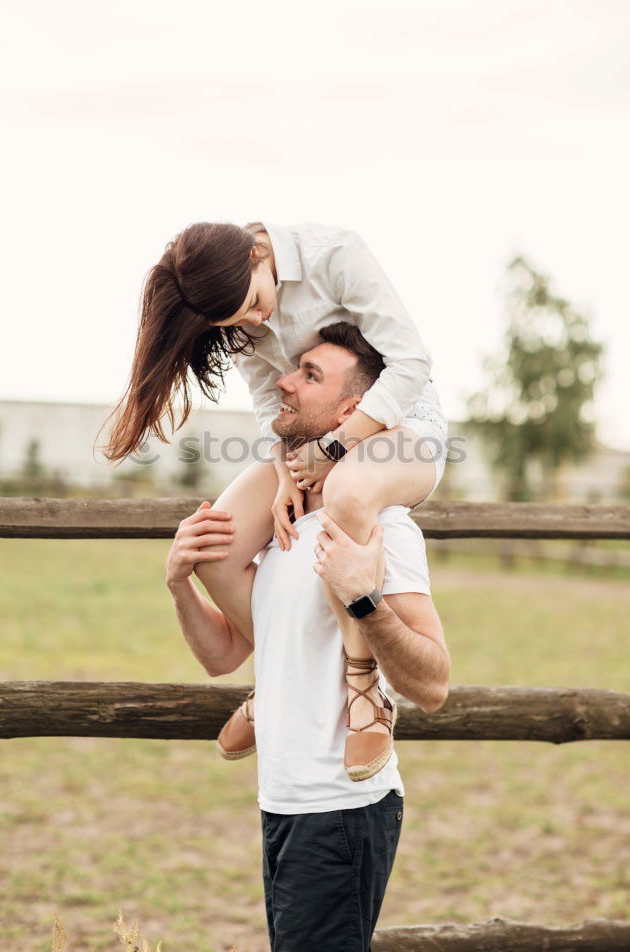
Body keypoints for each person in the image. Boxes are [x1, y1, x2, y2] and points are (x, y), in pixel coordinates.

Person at [100, 220, 448, 779]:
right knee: (219, 541)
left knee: (348, 490)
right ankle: (285, 679)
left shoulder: (334, 253)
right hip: (308, 437)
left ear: (259, 253)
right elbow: (269, 397)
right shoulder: (237, 311)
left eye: (256, 304)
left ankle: (363, 695)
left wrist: (333, 447)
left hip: (402, 422)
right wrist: (286, 468)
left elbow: (411, 362)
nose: (255, 322)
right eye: (237, 321)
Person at [165, 325, 450, 951]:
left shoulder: (385, 529)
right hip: (282, 799)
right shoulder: (281, 530)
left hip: (341, 809)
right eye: (293, 367)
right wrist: (180, 582)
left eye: (311, 375)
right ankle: (262, 702)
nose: (284, 382)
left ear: (353, 413)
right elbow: (222, 656)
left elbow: (432, 684)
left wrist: (366, 603)